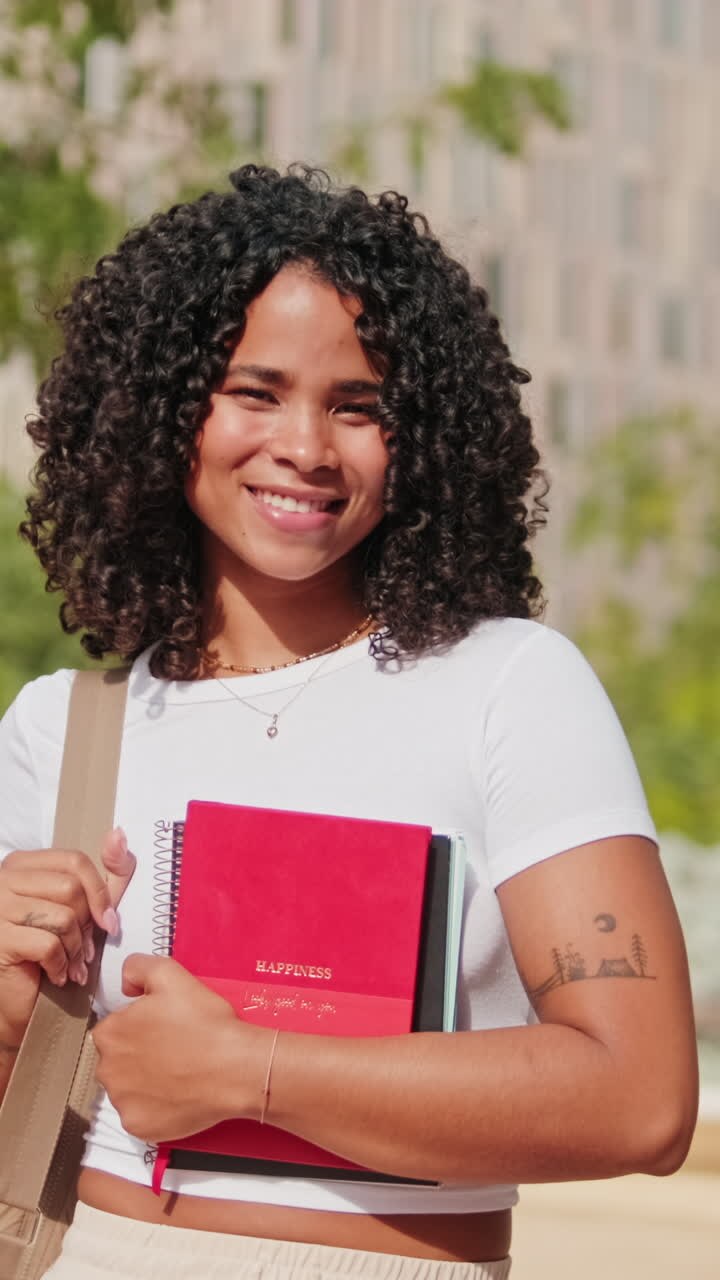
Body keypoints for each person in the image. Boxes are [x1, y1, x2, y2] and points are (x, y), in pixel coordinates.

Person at [0, 165, 697, 1280]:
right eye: (255, 391)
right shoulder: (68, 728)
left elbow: (642, 1099)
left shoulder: (509, 685)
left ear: (421, 435)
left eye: (360, 405)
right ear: (163, 406)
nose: (308, 447)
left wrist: (252, 1069)